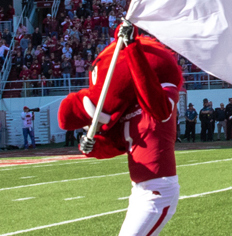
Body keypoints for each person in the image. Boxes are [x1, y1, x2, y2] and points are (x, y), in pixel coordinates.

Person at [56, 23, 183, 235]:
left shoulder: (164, 92)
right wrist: (92, 147)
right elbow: (116, 145)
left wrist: (132, 47)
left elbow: (159, 109)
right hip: (140, 190)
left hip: (159, 190)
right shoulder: (130, 106)